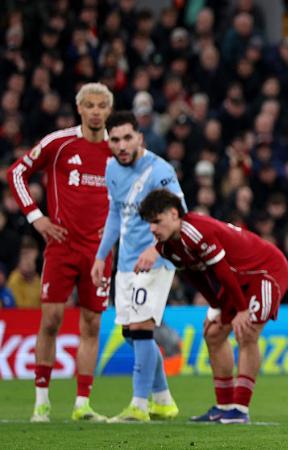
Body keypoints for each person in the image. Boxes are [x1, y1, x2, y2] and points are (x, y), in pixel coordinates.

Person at [6, 82, 114, 423]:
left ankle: (82, 404)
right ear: (79, 108)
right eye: (90, 105)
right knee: (50, 320)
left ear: (108, 111)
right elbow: (17, 173)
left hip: (99, 252)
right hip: (61, 247)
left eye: (102, 106)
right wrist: (37, 218)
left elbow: (136, 194)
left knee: (92, 324)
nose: (96, 111)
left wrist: (117, 228)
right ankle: (41, 402)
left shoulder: (120, 149)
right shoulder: (59, 143)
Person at [138, 188, 288, 424]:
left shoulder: (196, 231)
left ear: (174, 214)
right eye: (150, 223)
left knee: (246, 331)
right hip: (238, 279)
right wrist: (217, 307)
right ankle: (224, 405)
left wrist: (240, 311)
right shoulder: (169, 247)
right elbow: (196, 277)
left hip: (265, 271)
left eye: (157, 222)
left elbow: (222, 271)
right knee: (213, 334)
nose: (152, 229)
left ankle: (239, 409)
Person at [90, 111, 183, 422]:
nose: (121, 145)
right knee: (131, 333)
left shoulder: (160, 171)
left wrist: (156, 249)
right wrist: (102, 256)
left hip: (157, 260)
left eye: (127, 138)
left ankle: (139, 406)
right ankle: (163, 399)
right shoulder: (112, 170)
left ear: (140, 138)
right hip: (127, 264)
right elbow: (116, 215)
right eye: (114, 139)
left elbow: (180, 214)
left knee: (141, 330)